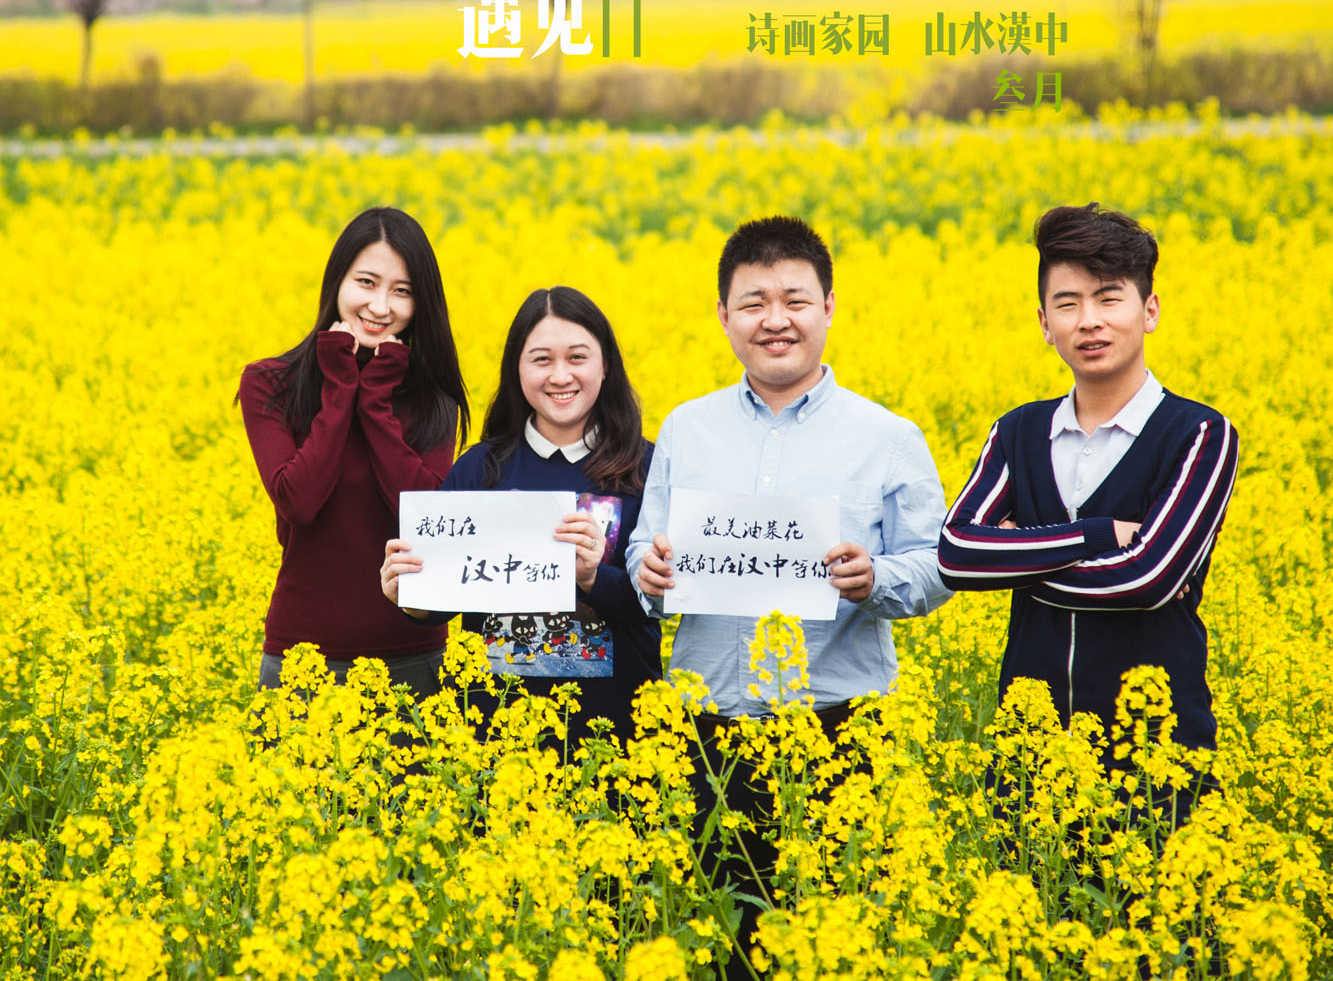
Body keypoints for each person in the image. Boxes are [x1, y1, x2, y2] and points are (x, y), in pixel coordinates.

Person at [627, 216, 951, 974]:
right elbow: (648, 543)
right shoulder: (686, 427)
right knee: (724, 946)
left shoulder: (887, 435)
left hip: (841, 729)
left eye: (795, 299)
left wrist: (878, 578)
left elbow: (936, 563)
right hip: (712, 731)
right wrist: (650, 571)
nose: (776, 319)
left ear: (829, 307)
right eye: (754, 302)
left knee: (841, 942)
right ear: (725, 316)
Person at [936, 203, 1239, 823]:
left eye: (1110, 299)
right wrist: (1096, 535)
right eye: (1068, 304)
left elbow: (1147, 579)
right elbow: (957, 554)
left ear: (1149, 311)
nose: (1090, 321)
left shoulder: (1200, 434)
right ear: (1044, 322)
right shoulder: (1018, 432)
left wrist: (1016, 558)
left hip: (1157, 757)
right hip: (1029, 759)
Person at [380, 287, 658, 744]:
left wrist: (593, 577)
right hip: (494, 736)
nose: (560, 375)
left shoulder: (646, 467)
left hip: (619, 731)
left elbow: (659, 603)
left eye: (578, 357)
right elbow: (441, 600)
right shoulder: (480, 468)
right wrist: (409, 593)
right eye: (542, 360)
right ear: (518, 369)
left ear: (605, 365)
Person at [238, 206, 469, 697]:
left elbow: (421, 512)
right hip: (302, 656)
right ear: (336, 282)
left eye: (402, 291)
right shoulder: (270, 384)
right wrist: (342, 386)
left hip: (413, 651)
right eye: (366, 282)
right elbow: (299, 500)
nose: (381, 306)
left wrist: (376, 400)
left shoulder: (432, 398)